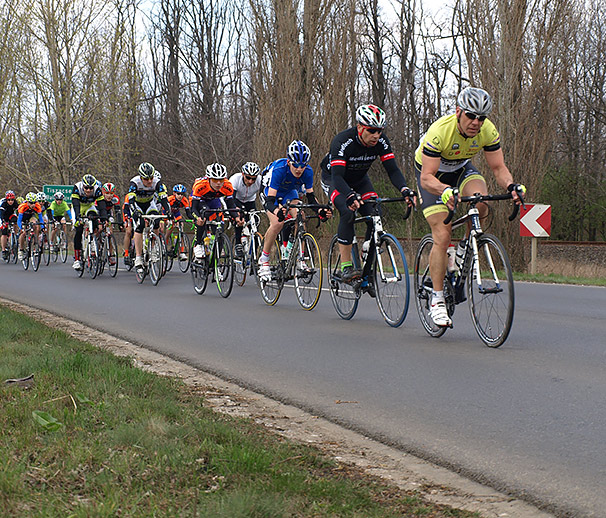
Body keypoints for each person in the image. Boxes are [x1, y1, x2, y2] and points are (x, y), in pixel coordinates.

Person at [415, 86, 526, 327]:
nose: (476, 122)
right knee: (442, 235)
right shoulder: (439, 132)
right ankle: (437, 299)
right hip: (432, 177)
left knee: (482, 202)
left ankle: (467, 245)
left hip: (461, 169)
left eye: (481, 117)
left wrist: (511, 186)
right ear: (458, 112)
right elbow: (427, 177)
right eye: (471, 116)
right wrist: (444, 191)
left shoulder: (487, 131)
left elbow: (498, 168)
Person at [320, 104, 415, 296]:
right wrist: (348, 196)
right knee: (347, 211)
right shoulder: (342, 141)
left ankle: (367, 266)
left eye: (380, 131)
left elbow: (393, 170)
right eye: (372, 131)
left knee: (375, 213)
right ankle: (347, 265)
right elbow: (338, 177)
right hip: (334, 178)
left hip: (360, 179)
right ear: (360, 127)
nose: (376, 135)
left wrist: (405, 189)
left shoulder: (381, 142)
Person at [258, 140, 329, 281]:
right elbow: (270, 200)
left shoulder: (307, 172)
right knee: (278, 223)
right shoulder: (279, 169)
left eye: (303, 165)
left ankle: (299, 258)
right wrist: (277, 211)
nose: (299, 169)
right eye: (296, 165)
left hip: (289, 192)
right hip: (270, 191)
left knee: (300, 216)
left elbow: (310, 198)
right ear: (289, 162)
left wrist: (319, 211)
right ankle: (264, 259)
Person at [126, 162, 171, 273]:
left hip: (150, 204)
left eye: (151, 178)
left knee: (156, 221)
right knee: (140, 225)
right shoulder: (134, 182)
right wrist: (134, 211)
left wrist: (169, 212)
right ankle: (138, 257)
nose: (150, 181)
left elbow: (164, 199)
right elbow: (130, 199)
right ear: (141, 177)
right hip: (137, 205)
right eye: (146, 179)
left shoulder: (157, 182)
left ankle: (153, 249)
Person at [191, 163, 242, 261]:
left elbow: (231, 205)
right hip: (201, 201)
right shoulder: (200, 185)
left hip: (215, 201)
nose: (218, 183)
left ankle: (215, 258)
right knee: (203, 215)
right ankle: (198, 244)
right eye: (215, 180)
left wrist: (236, 217)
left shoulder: (227, 186)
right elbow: (194, 208)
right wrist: (197, 218)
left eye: (221, 180)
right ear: (209, 179)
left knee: (219, 228)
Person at [71, 174, 107, 270]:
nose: (88, 190)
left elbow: (102, 205)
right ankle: (77, 259)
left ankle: (92, 243)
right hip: (78, 207)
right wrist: (78, 216)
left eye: (90, 188)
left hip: (89, 206)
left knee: (94, 218)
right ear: (83, 185)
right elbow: (75, 204)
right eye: (86, 188)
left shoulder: (97, 189)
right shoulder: (77, 187)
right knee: (78, 230)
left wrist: (104, 218)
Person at [229, 162, 262, 258]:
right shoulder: (235, 179)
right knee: (239, 218)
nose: (251, 181)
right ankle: (238, 243)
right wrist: (236, 210)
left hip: (250, 201)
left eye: (253, 179)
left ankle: (254, 255)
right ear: (243, 174)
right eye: (248, 178)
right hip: (236, 200)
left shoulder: (260, 180)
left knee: (255, 223)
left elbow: (265, 195)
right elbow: (231, 198)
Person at [165, 184, 193, 261]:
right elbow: (165, 209)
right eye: (178, 194)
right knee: (170, 227)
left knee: (181, 228)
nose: (180, 196)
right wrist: (170, 218)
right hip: (167, 213)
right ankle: (164, 246)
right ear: (174, 193)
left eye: (182, 194)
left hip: (176, 213)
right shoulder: (170, 199)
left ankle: (182, 252)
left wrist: (193, 218)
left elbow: (188, 213)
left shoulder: (184, 200)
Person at [16, 192, 45, 261]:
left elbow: (41, 219)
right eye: (31, 203)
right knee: (23, 233)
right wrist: (21, 228)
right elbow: (19, 220)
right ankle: (21, 250)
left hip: (30, 216)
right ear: (27, 202)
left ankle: (34, 241)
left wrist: (43, 227)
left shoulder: (37, 206)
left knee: (35, 224)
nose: (33, 205)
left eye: (34, 202)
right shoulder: (22, 206)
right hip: (22, 217)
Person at [0, 190, 19, 260]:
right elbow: (1, 214)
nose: (10, 201)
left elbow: (19, 212)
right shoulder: (3, 204)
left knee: (15, 219)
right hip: (3, 216)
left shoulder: (15, 203)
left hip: (11, 215)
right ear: (6, 199)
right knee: (4, 232)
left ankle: (15, 234)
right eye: (9, 200)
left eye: (12, 200)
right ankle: (3, 250)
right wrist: (3, 221)